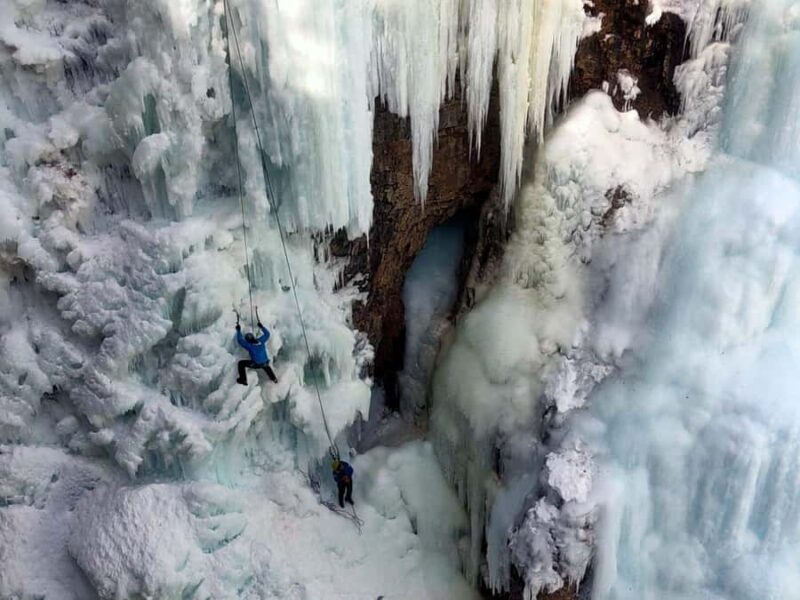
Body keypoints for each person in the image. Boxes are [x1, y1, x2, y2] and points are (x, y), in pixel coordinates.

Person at [235, 319, 278, 385]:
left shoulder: (249, 345)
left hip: (256, 364)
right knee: (267, 367)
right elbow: (267, 334)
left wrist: (238, 330)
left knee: (241, 364)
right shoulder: (261, 341)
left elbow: (240, 340)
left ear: (248, 340)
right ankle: (274, 379)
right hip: (265, 362)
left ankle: (243, 380)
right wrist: (261, 327)